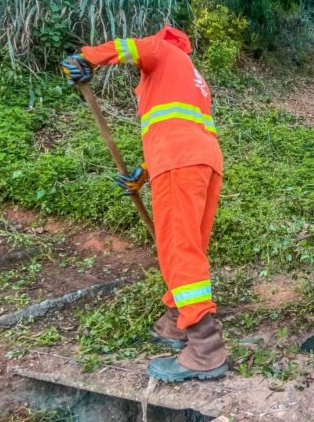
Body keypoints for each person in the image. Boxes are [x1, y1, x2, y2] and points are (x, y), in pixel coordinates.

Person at [61, 25, 228, 381]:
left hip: (179, 161)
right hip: (202, 159)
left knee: (178, 248)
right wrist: (145, 173)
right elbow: (181, 125)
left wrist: (85, 57)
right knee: (189, 245)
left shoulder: (163, 51)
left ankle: (205, 348)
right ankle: (175, 320)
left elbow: (129, 47)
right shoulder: (190, 76)